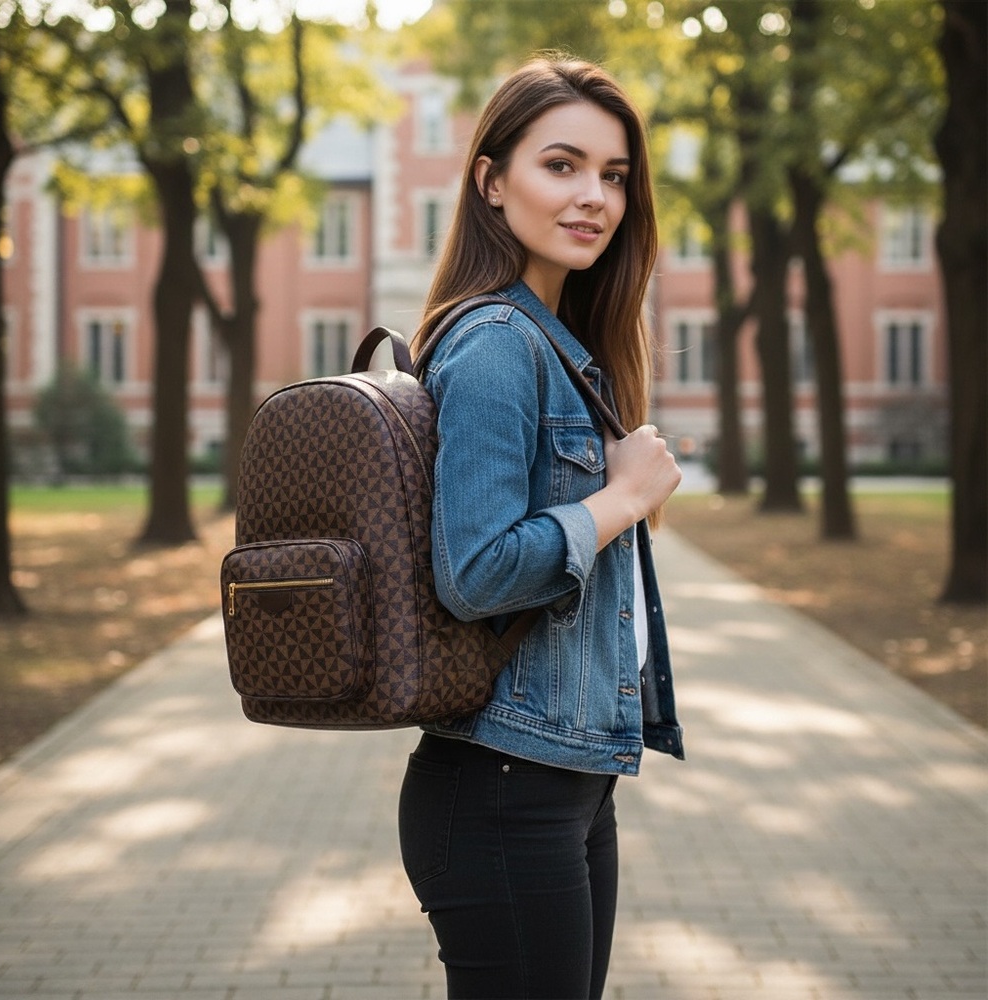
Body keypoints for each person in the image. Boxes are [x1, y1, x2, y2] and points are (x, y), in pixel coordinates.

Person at [397, 56, 685, 1000]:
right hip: (500, 791)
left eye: (613, 176)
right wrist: (621, 500)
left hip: (557, 781)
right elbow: (474, 572)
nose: (594, 197)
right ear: (491, 181)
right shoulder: (495, 345)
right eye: (561, 166)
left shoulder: (559, 347)